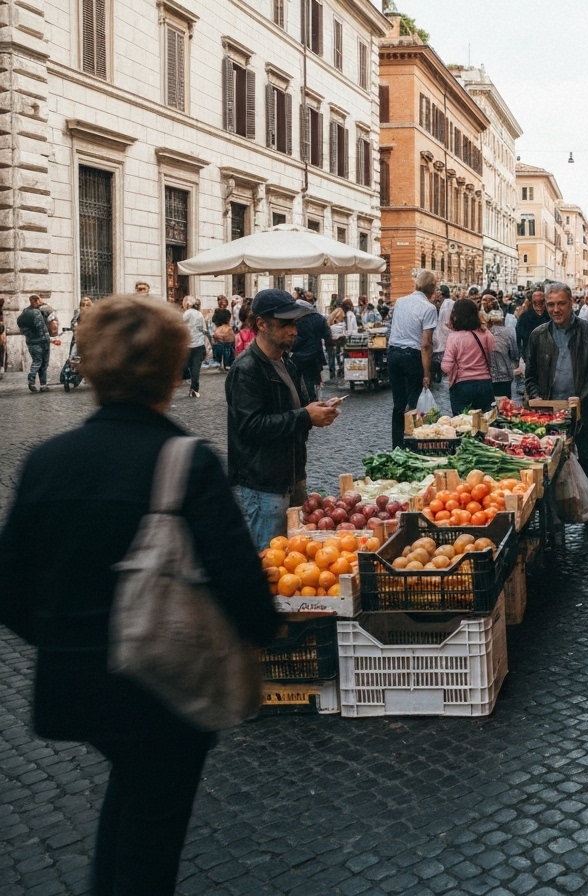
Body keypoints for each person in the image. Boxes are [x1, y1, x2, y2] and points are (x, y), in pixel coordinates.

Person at [0, 293, 281, 896]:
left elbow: (12, 586)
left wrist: (67, 635)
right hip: (163, 683)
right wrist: (261, 633)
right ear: (173, 370)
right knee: (150, 835)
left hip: (74, 682)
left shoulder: (48, 459)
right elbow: (241, 582)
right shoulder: (184, 459)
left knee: (133, 803)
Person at [225, 289, 340, 550]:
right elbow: (249, 426)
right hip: (265, 482)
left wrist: (315, 411)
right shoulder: (246, 369)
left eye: (295, 323)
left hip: (292, 474)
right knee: (272, 557)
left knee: (295, 555)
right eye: (285, 324)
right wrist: (304, 416)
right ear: (262, 325)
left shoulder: (286, 362)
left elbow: (293, 410)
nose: (294, 331)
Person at [524, 282, 588, 531]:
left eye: (561, 303)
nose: (555, 309)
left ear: (572, 302)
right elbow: (529, 375)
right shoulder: (538, 335)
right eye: (550, 304)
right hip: (548, 413)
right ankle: (553, 517)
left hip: (581, 409)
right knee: (548, 465)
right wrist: (535, 397)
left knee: (587, 461)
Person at [387, 269, 438, 448]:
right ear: (432, 286)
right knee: (415, 402)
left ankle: (397, 445)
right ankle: (415, 442)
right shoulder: (429, 308)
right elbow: (426, 344)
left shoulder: (400, 302)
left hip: (393, 353)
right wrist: (427, 372)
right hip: (411, 355)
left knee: (398, 403)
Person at [441, 297, 495, 413]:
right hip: (485, 384)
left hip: (462, 385)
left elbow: (446, 367)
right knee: (486, 423)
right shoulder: (485, 333)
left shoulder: (454, 337)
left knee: (463, 424)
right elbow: (491, 352)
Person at [291, 292, 331, 396]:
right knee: (313, 380)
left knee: (297, 380)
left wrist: (291, 348)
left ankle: (306, 401)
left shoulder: (296, 320)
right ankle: (313, 398)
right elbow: (327, 336)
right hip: (316, 355)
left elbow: (296, 339)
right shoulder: (319, 318)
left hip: (300, 356)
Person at [16, 293, 57, 392]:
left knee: (37, 361)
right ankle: (40, 384)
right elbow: (44, 327)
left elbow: (22, 328)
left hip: (31, 341)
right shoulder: (41, 310)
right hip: (43, 341)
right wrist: (51, 339)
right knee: (43, 363)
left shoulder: (25, 312)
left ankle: (35, 382)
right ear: (36, 301)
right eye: (38, 300)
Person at [486, 310, 520, 402]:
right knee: (505, 406)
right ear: (502, 320)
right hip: (505, 375)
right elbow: (515, 353)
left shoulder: (485, 333)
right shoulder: (508, 332)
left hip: (488, 376)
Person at [180, 297, 207, 398]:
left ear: (188, 304)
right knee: (196, 368)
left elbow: (180, 326)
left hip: (188, 344)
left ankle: (186, 381)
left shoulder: (187, 313)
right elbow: (204, 329)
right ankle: (194, 389)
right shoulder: (199, 314)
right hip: (199, 344)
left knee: (186, 365)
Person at [516, 289, 549, 359]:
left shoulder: (550, 315)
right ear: (532, 302)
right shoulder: (525, 316)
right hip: (530, 355)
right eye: (535, 302)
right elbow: (518, 336)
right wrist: (521, 354)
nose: (538, 304)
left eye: (541, 302)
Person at [431, 286, 455, 382]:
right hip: (444, 334)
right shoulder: (447, 303)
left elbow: (445, 322)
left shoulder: (447, 305)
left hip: (445, 334)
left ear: (441, 293)